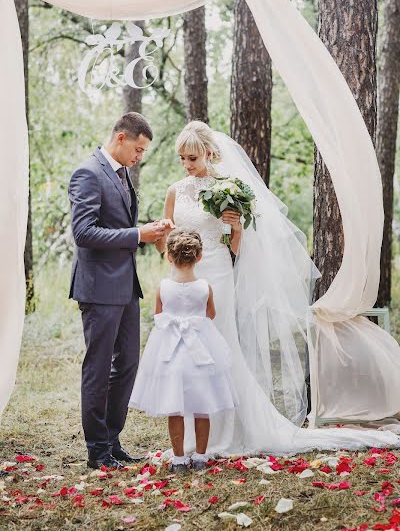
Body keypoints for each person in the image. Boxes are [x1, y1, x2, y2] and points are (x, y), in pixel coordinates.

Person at [153, 120, 400, 456]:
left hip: (218, 274)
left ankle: (229, 428)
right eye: (182, 158)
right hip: (183, 279)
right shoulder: (175, 191)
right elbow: (165, 244)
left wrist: (235, 228)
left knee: (219, 347)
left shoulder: (229, 189)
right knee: (186, 351)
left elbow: (239, 251)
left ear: (209, 153)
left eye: (192, 158)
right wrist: (161, 237)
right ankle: (190, 438)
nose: (186, 165)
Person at [68, 112, 173, 469]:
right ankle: (97, 450)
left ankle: (113, 441)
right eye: (138, 149)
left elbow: (121, 226)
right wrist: (136, 235)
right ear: (121, 137)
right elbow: (83, 233)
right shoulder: (88, 173)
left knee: (128, 364)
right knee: (97, 368)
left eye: (143, 151)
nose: (139, 156)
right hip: (98, 288)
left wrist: (147, 232)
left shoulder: (123, 174)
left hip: (126, 286)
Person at [129, 228, 238, 472]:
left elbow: (159, 315)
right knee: (202, 408)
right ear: (199, 257)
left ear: (169, 256)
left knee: (174, 407)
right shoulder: (205, 286)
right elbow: (210, 314)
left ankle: (178, 459)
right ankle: (200, 457)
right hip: (201, 353)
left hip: (171, 353)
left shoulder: (163, 286)